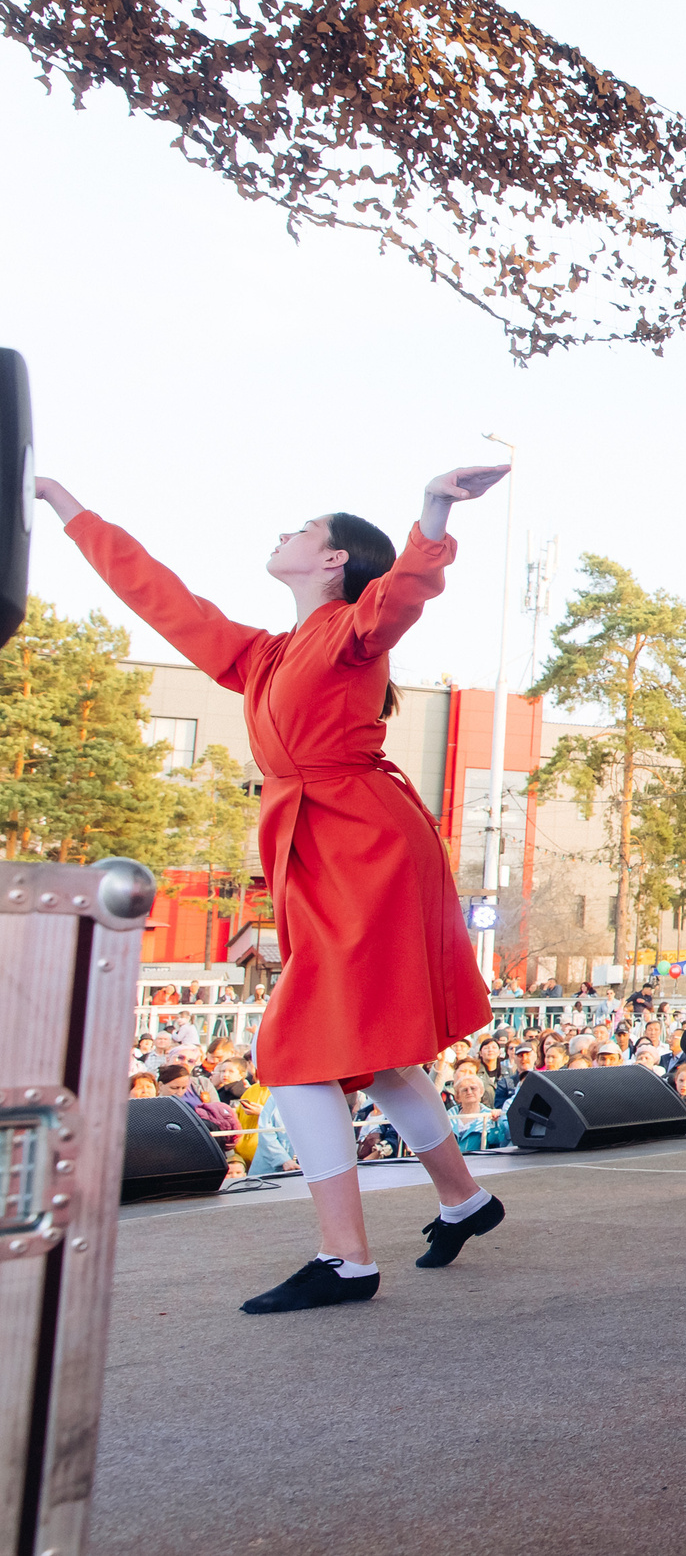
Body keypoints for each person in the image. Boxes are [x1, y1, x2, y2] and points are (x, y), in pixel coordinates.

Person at [38, 465, 513, 1313]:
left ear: (331, 562)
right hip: (322, 849)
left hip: (365, 848)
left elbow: (403, 593)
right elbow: (162, 600)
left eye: (299, 529)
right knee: (362, 1051)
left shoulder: (351, 631)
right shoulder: (266, 653)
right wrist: (71, 511)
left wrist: (434, 511)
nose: (280, 536)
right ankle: (465, 1200)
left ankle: (345, 1260)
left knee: (295, 1052)